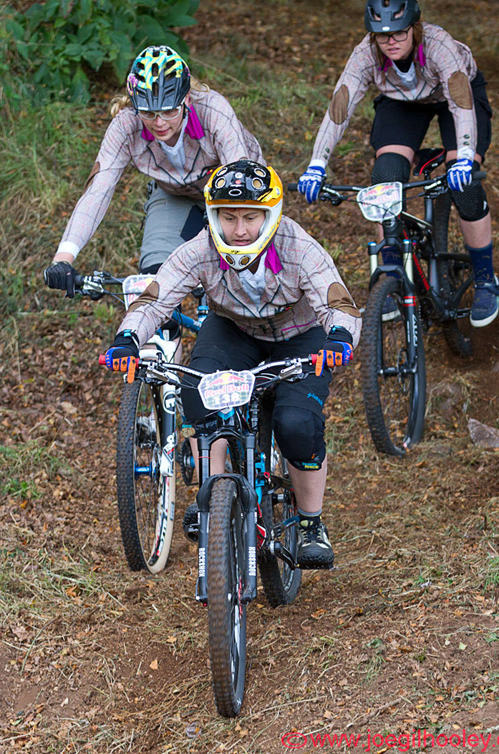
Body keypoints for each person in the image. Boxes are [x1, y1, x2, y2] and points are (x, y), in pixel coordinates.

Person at [102, 160, 361, 569]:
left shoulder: (298, 246)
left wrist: (340, 336)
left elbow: (337, 300)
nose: (239, 229)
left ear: (270, 216)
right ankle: (212, 494)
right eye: (228, 217)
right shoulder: (201, 248)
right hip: (233, 331)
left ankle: (311, 523)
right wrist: (128, 338)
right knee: (197, 393)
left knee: (297, 423)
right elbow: (157, 296)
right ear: (214, 215)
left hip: (300, 335)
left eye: (250, 218)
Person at [298, 0, 499, 328]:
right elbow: (340, 105)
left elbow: (460, 103)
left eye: (399, 33)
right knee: (385, 178)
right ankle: (392, 271)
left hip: (455, 97)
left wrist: (466, 157)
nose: (391, 41)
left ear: (414, 27)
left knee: (465, 184)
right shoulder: (366, 54)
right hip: (401, 102)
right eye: (382, 36)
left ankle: (486, 279)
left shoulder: (439, 46)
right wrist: (317, 164)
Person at [44, 44, 264, 295]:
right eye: (148, 113)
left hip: (238, 196)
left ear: (187, 99)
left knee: (238, 279)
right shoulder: (127, 125)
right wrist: (63, 257)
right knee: (154, 281)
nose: (159, 123)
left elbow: (240, 180)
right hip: (176, 195)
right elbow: (98, 191)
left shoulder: (213, 111)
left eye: (169, 111)